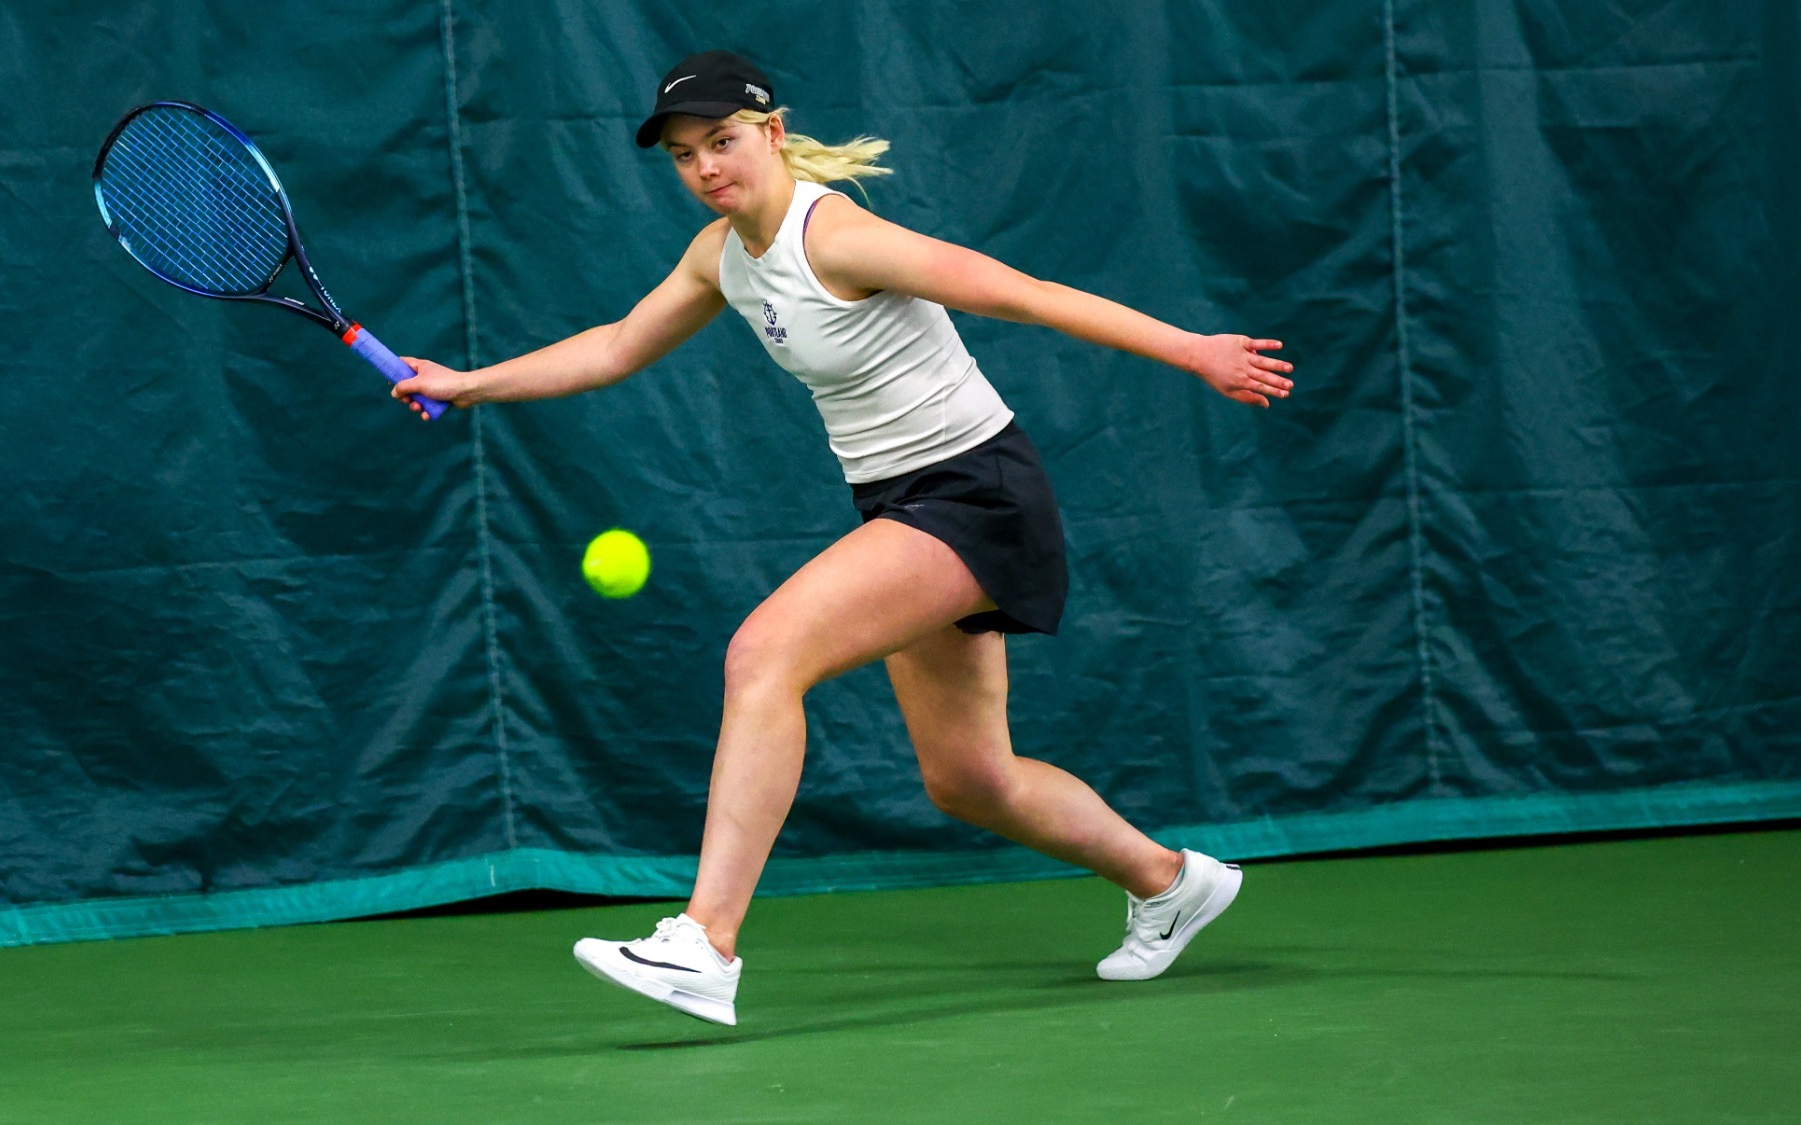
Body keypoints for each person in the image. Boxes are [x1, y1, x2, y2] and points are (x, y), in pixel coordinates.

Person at [393, 50, 1295, 1027]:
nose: (705, 167)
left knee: (764, 655)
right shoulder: (719, 255)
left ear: (771, 134)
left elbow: (1016, 291)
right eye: (685, 154)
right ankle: (1169, 883)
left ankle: (704, 944)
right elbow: (615, 346)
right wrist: (467, 383)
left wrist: (1192, 350)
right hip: (903, 500)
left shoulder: (841, 238)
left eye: (722, 142)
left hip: (973, 494)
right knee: (968, 779)